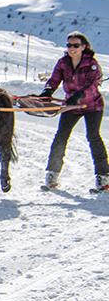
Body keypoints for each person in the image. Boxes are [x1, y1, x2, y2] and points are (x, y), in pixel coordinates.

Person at [38, 31, 108, 192]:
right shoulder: (63, 63)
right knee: (61, 136)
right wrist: (47, 92)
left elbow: (92, 86)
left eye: (76, 45)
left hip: (92, 106)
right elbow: (54, 80)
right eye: (69, 45)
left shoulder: (92, 63)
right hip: (71, 106)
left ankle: (103, 178)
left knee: (93, 136)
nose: (72, 48)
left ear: (84, 47)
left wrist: (78, 96)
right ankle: (52, 175)